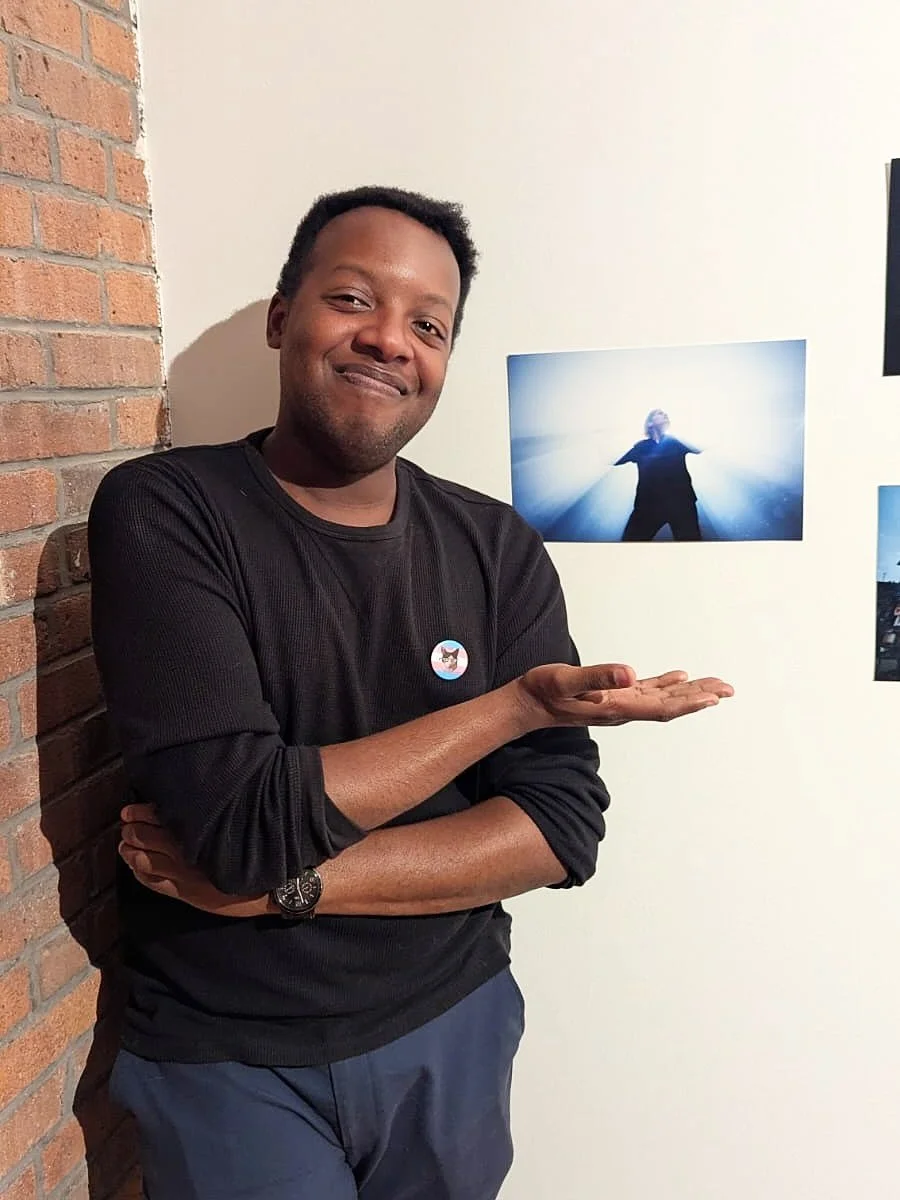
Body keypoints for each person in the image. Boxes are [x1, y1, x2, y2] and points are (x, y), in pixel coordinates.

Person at [89, 186, 733, 1200]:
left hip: (453, 1028)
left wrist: (286, 889)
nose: (391, 340)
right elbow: (239, 829)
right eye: (352, 299)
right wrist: (514, 705)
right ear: (279, 318)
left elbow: (561, 831)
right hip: (230, 1058)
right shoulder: (167, 510)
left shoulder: (493, 547)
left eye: (428, 324)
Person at [614, 408, 703, 541]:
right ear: (649, 423)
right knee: (631, 544)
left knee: (690, 545)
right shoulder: (641, 447)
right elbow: (616, 461)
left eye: (665, 414)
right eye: (659, 414)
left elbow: (698, 449)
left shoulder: (675, 442)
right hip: (649, 505)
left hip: (681, 503)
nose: (665, 414)